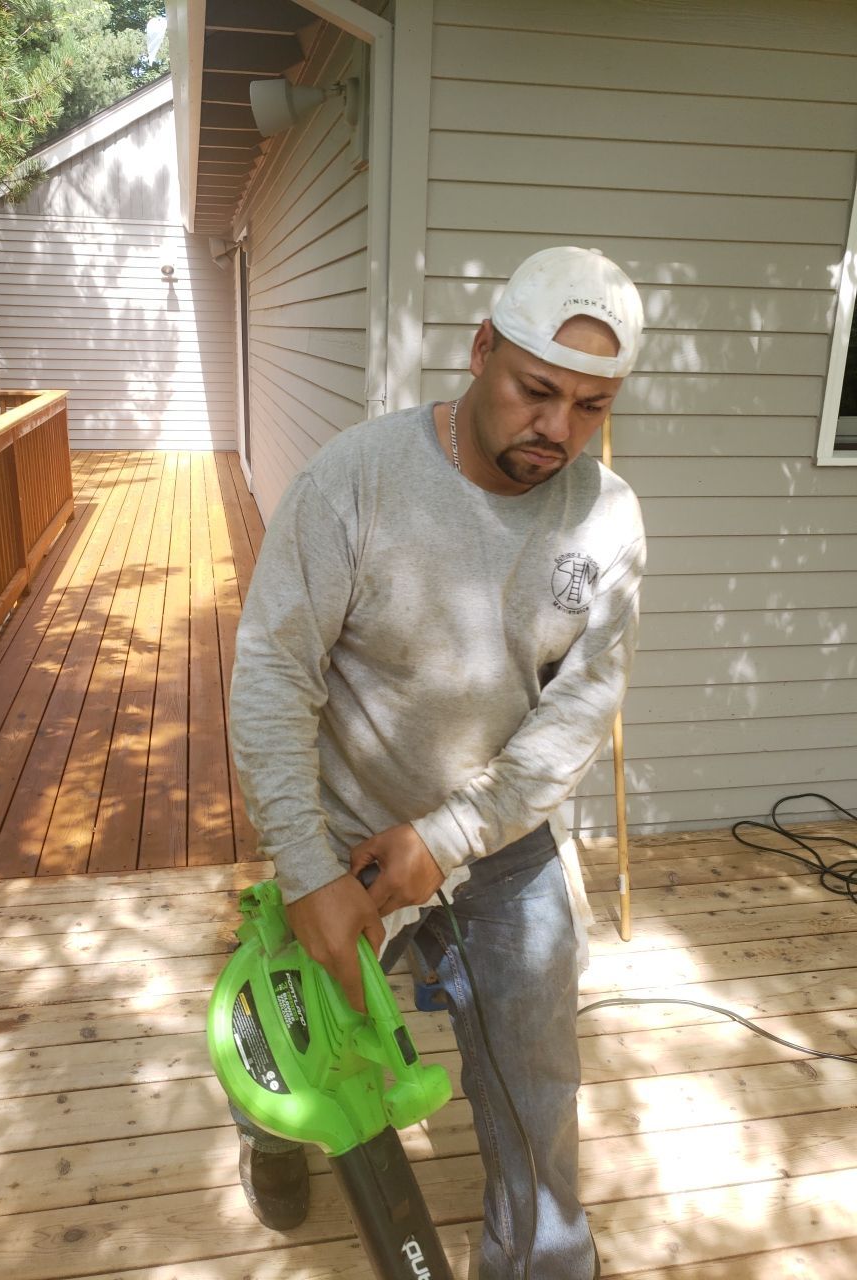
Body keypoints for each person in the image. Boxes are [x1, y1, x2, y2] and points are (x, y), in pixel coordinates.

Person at [228, 246, 646, 1279]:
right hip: (341, 832)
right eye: (535, 390)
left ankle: (545, 1260)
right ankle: (277, 1128)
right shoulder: (356, 481)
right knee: (299, 1027)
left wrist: (455, 834)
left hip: (496, 840)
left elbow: (581, 706)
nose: (557, 427)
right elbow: (272, 674)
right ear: (481, 352)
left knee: (537, 1077)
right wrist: (308, 870)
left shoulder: (607, 519)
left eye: (590, 406)